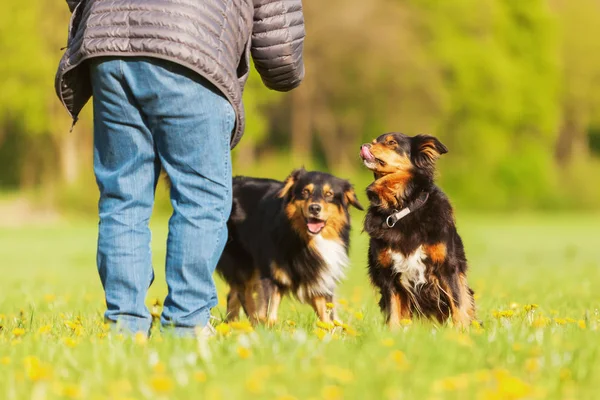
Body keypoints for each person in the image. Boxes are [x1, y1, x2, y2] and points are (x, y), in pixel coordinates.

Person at [55, 0, 305, 337]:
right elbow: (282, 50)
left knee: (122, 196)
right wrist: (285, 73)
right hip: (191, 45)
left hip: (109, 45)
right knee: (201, 198)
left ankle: (123, 325)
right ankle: (187, 323)